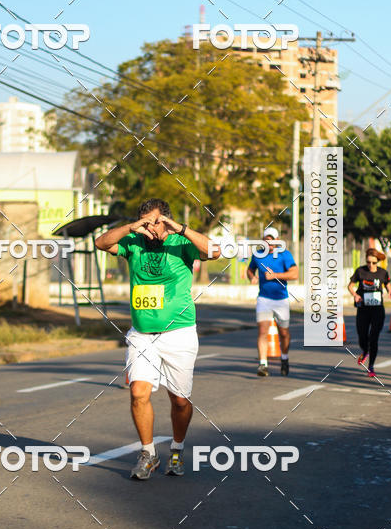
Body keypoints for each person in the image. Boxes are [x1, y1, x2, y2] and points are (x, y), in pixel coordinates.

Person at [95, 199, 219, 480]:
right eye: (146, 222)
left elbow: (215, 251)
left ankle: (177, 448)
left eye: (156, 221)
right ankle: (148, 453)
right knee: (138, 392)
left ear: (167, 222)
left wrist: (181, 229)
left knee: (179, 400)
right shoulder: (133, 243)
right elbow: (101, 244)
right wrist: (131, 228)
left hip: (180, 333)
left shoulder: (181, 244)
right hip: (142, 334)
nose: (151, 227)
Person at [246, 227, 298, 377]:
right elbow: (250, 270)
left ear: (276, 240)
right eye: (266, 239)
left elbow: (294, 274)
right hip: (264, 299)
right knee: (262, 331)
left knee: (283, 333)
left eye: (271, 239)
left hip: (281, 300)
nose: (268, 242)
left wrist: (275, 275)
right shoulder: (258, 255)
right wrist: (252, 277)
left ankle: (285, 358)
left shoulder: (284, 255)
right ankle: (263, 364)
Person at [348, 248, 391, 377]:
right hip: (363, 309)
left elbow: (388, 284)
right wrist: (355, 295)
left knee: (374, 338)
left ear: (377, 262)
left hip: (377, 310)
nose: (370, 265)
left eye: (373, 263)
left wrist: (390, 291)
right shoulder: (360, 271)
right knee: (362, 336)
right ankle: (365, 351)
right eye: (368, 262)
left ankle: (371, 366)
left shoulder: (382, 273)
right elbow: (350, 286)